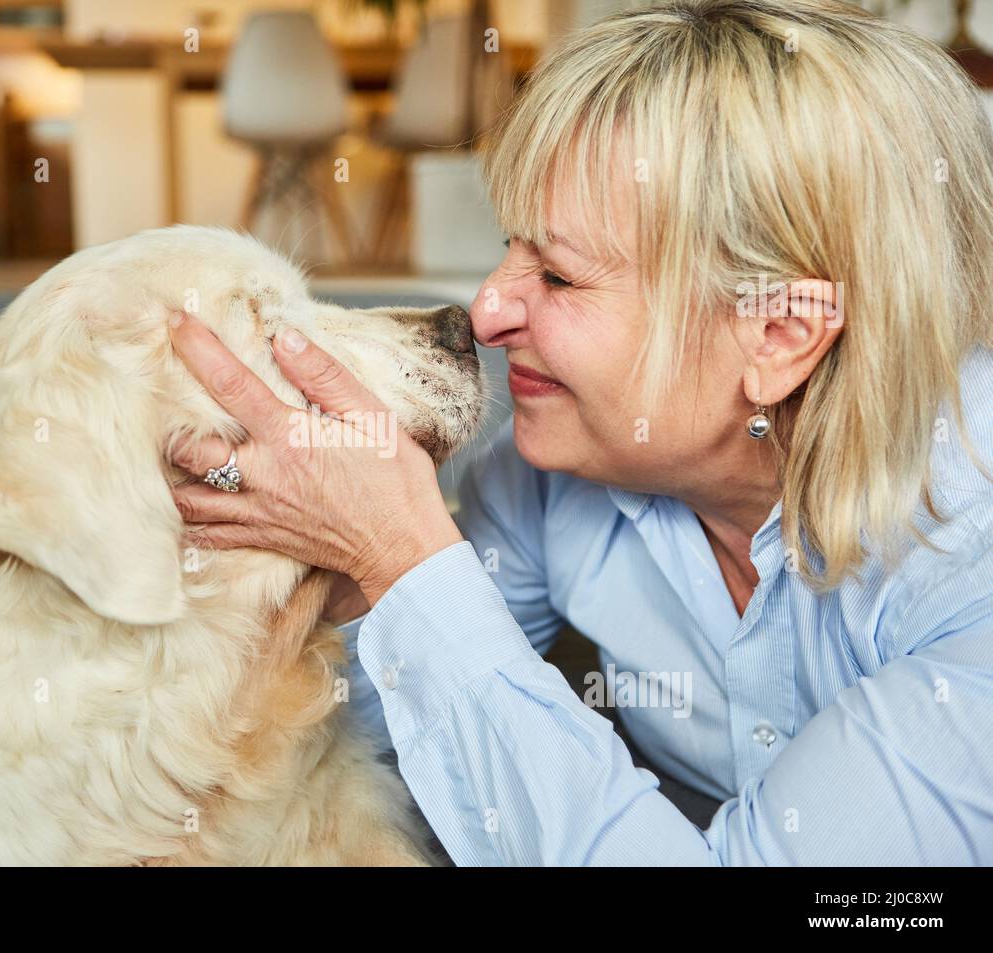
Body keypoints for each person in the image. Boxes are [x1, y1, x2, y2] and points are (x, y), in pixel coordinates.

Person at [166, 0, 993, 864]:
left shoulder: (972, 572)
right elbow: (378, 741)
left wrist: (403, 557)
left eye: (558, 276)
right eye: (509, 248)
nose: (486, 313)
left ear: (778, 335)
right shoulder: (553, 474)